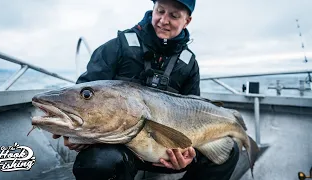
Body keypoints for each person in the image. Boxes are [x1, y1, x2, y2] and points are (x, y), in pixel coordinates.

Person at [53, 0, 240, 179]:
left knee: (230, 153)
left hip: (166, 152)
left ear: (187, 21)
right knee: (97, 163)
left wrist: (188, 158)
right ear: (153, 8)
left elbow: (193, 112)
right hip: (117, 147)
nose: (164, 20)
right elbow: (84, 94)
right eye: (160, 11)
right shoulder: (117, 47)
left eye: (174, 16)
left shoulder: (189, 64)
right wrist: (72, 130)